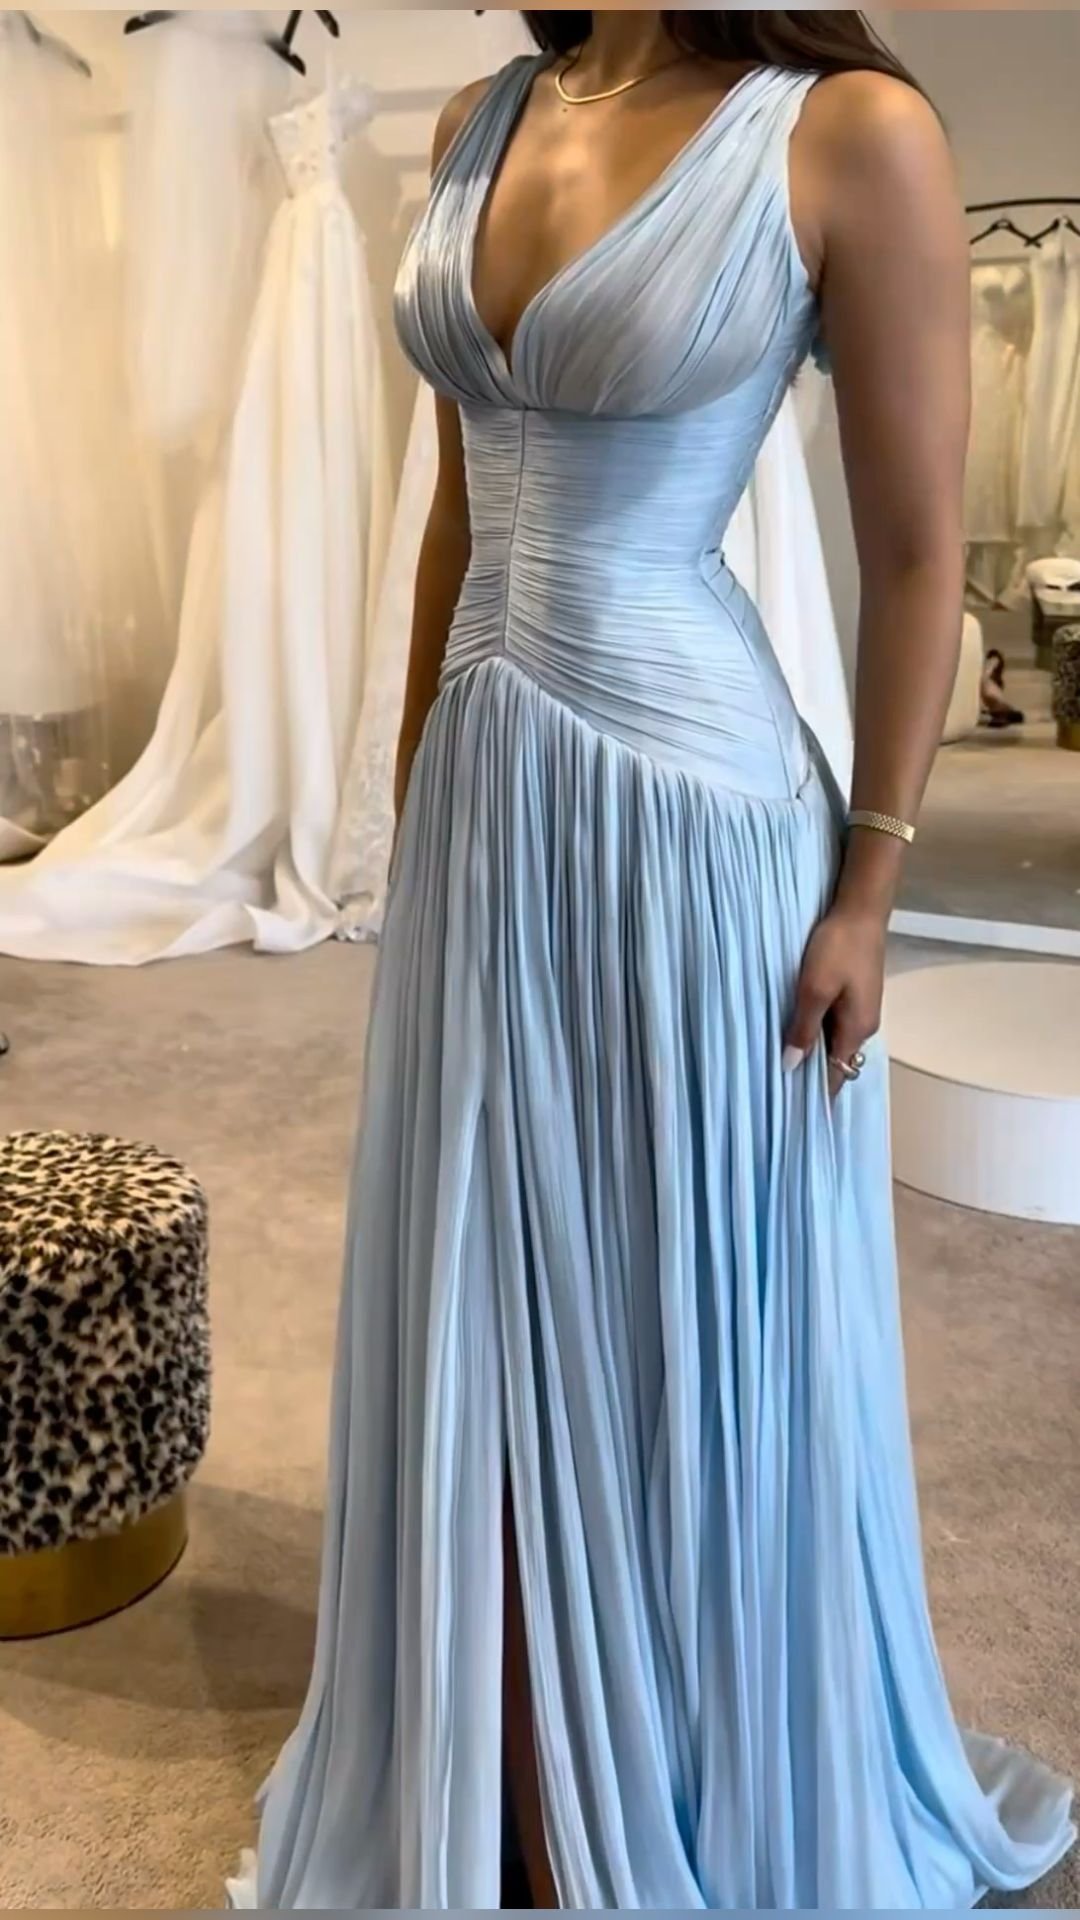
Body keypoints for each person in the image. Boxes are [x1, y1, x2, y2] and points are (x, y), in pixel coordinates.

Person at [231, 10, 1075, 1908]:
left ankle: (684, 1765)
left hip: (691, 811)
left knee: (669, 1290)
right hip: (486, 796)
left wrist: (870, 885)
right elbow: (457, 514)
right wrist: (414, 806)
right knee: (484, 1273)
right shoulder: (479, 115)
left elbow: (919, 551)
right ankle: (508, 1766)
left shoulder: (847, 131)